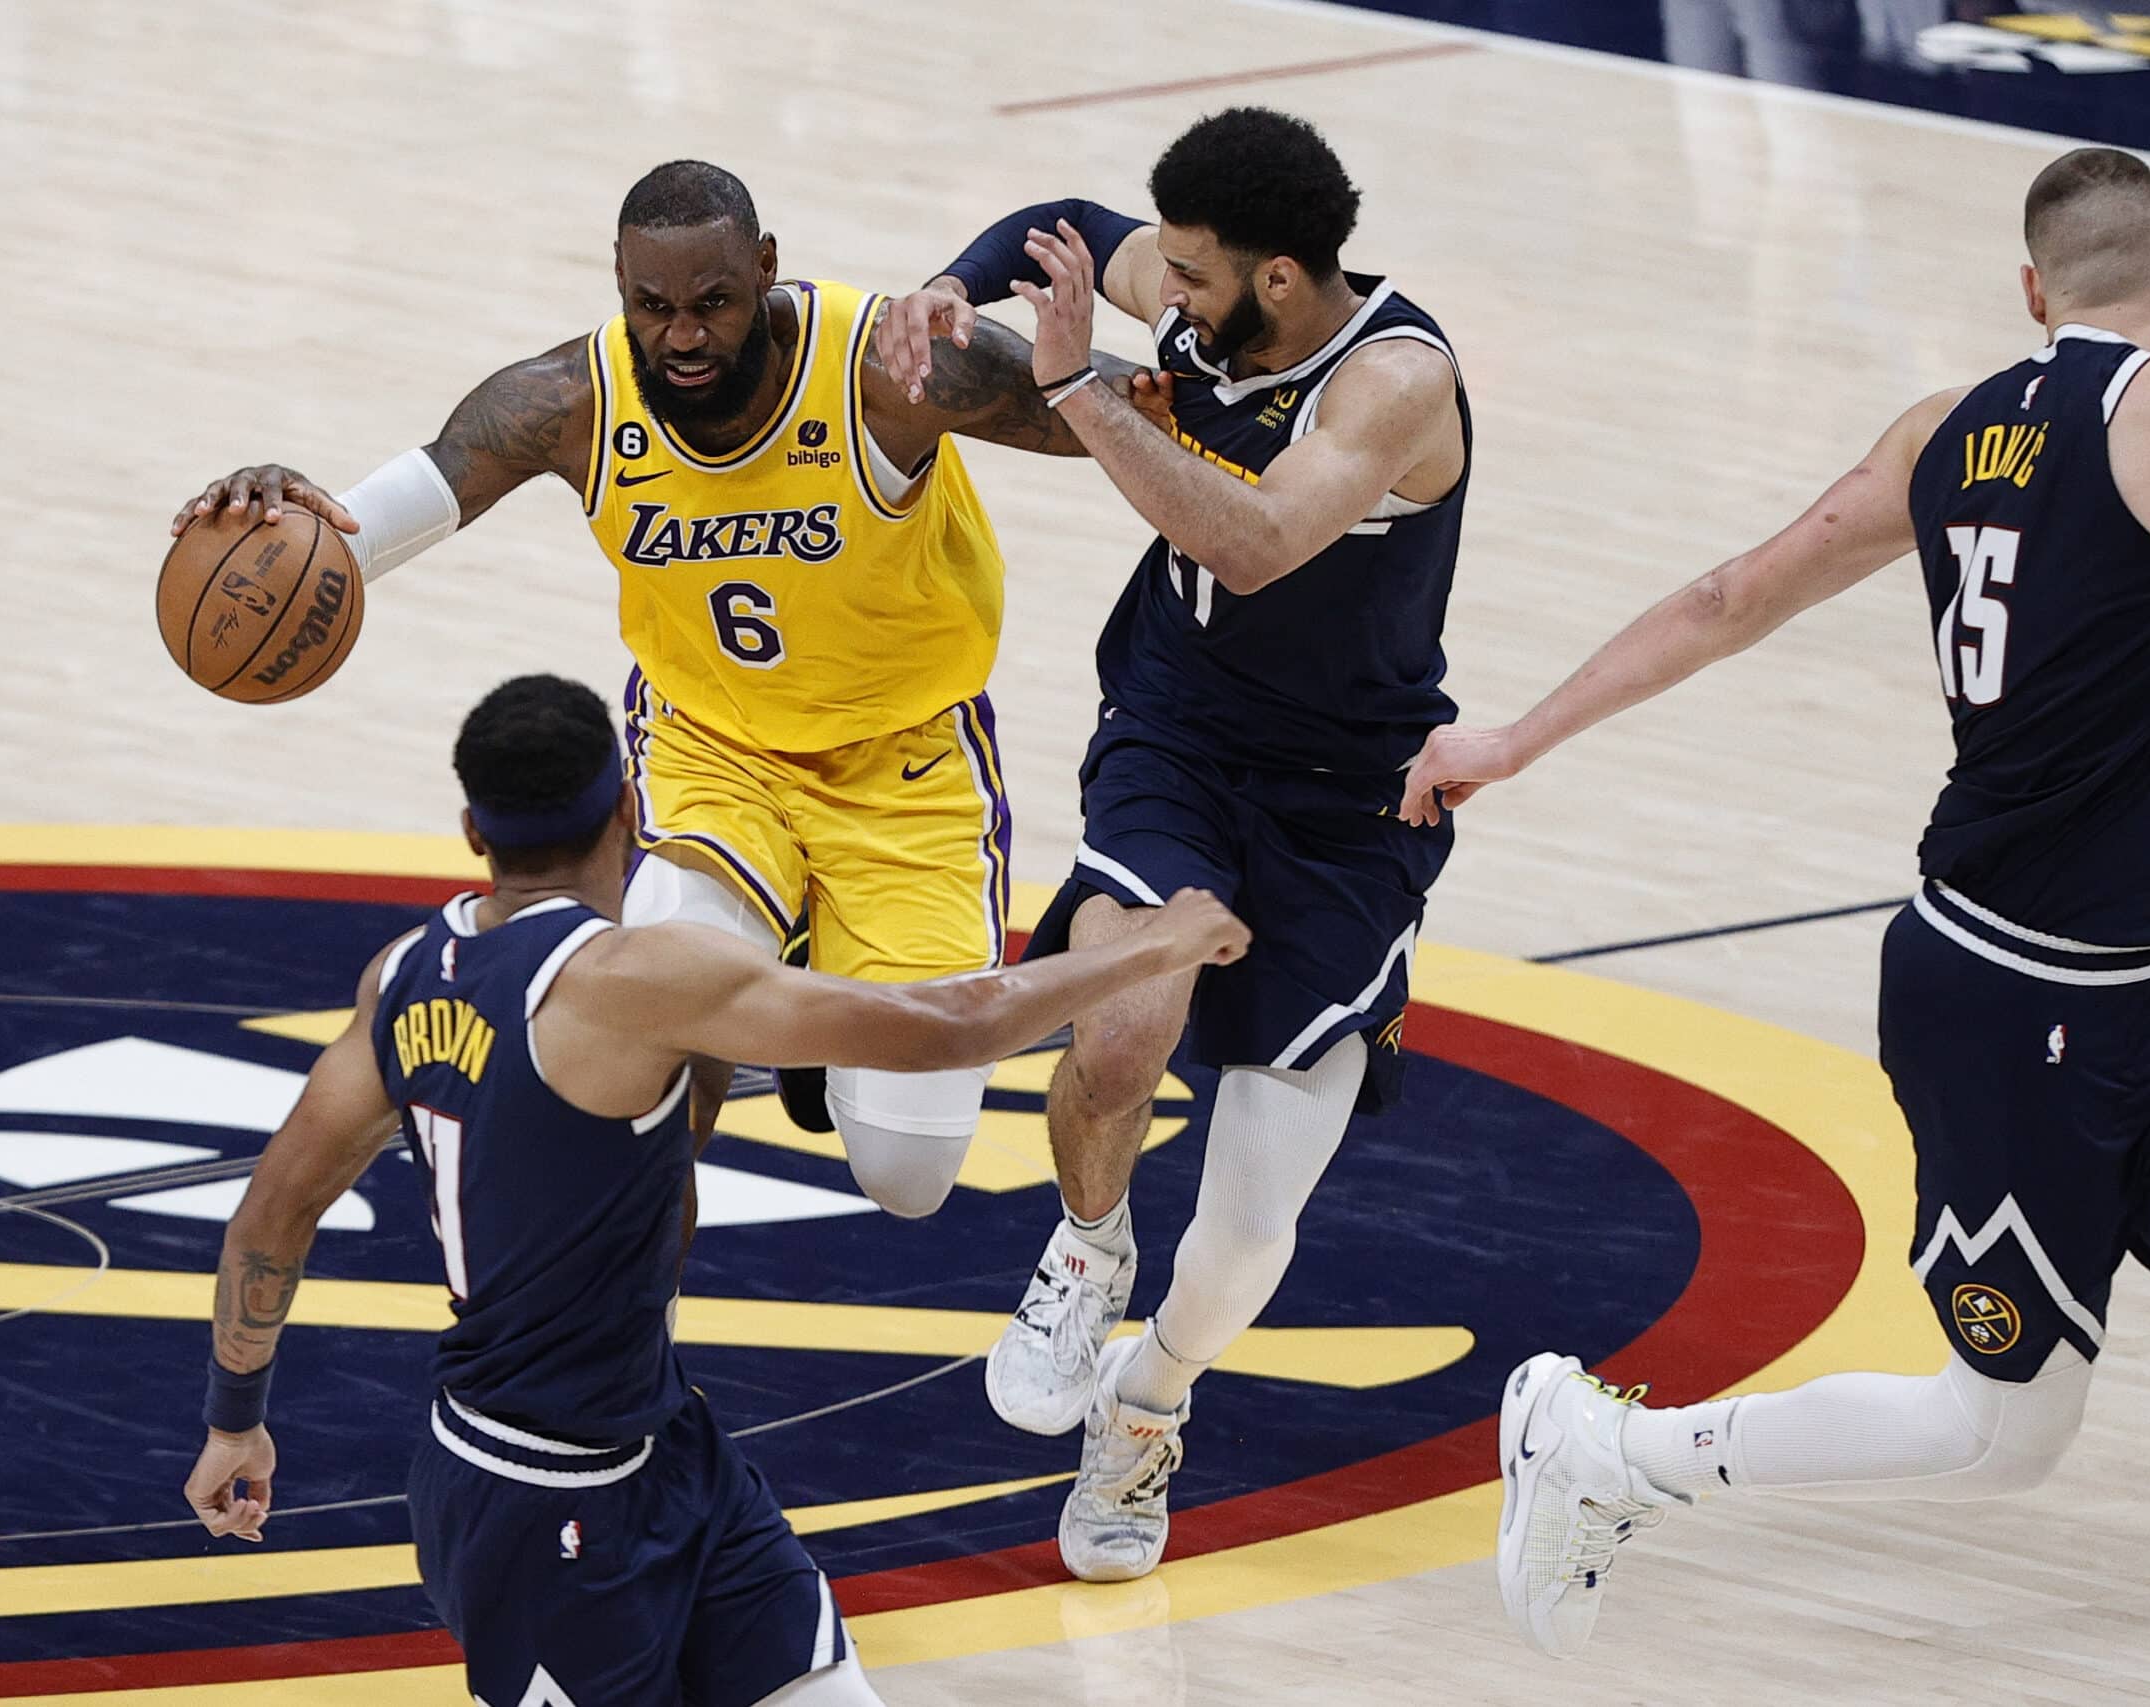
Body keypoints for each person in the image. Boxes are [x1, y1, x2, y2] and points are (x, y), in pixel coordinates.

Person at [1398, 146, 2150, 1660]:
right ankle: (1605, 1449)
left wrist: (1514, 737)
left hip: (2130, 962)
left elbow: (1729, 597)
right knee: (2005, 1431)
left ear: (2033, 292)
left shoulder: (1947, 429)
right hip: (2026, 990)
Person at [179, 673, 1249, 1706]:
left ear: (473, 831)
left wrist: (235, 1423)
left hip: (666, 1453)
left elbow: (272, 1220)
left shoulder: (403, 976)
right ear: (628, 809)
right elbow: (954, 1023)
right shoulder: (642, 980)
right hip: (536, 1502)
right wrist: (1152, 948)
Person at [170, 159, 1143, 1226]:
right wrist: (288, 514)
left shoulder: (883, 364)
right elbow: (384, 517)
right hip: (712, 750)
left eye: (712, 303)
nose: (682, 336)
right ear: (620, 285)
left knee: (907, 1179)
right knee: (653, 1037)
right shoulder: (570, 401)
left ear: (765, 269)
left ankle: (803, 972)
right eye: (653, 306)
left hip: (901, 761)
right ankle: (635, 1284)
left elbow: (1127, 413)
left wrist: (1241, 391)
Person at [877, 107, 1474, 1581]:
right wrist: (953, 283)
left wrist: (1078, 388)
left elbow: (1255, 543)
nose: (1171, 294)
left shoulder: (1395, 382)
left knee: (1251, 1228)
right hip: (1179, 735)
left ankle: (1147, 1400)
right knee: (1123, 1013)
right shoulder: (1208, 289)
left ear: (1278, 277)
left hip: (1348, 801)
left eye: (1195, 278)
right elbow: (1070, 229)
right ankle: (1089, 1245)